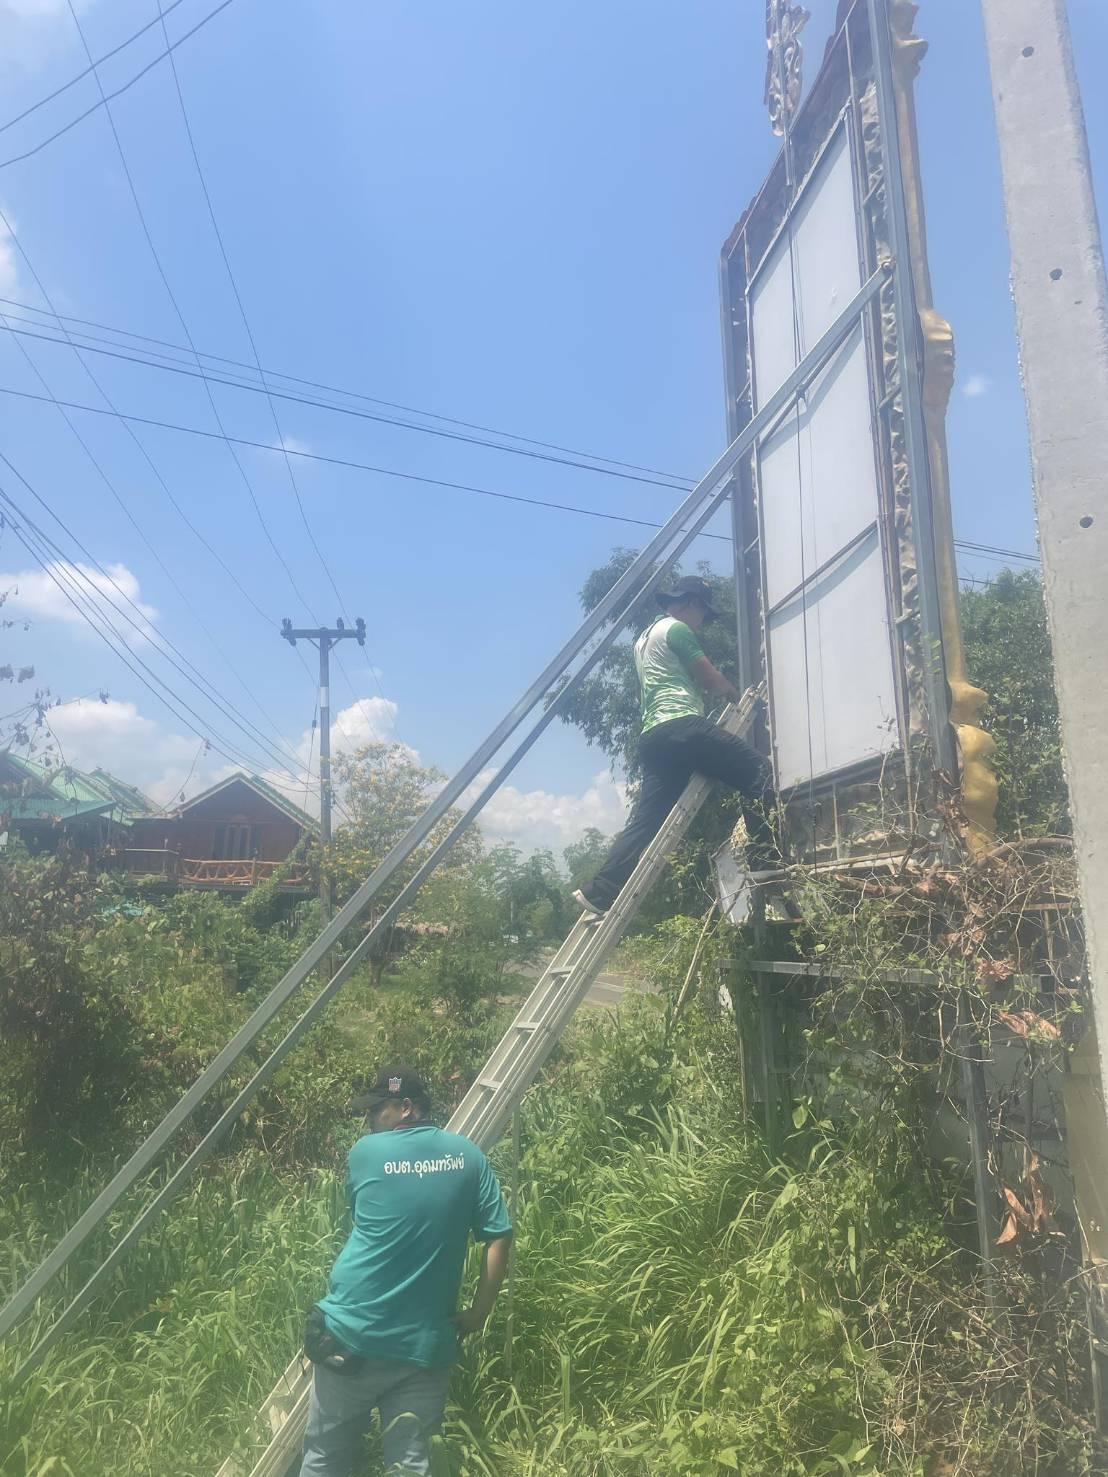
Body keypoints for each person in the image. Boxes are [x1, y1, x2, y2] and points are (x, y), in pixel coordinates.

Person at [298, 1064, 513, 1477]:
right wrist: (479, 1312)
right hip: (425, 1344)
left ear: (406, 1107)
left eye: (377, 1111)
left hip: (353, 1335)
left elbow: (362, 1216)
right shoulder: (469, 1156)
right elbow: (498, 1236)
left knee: (326, 1456)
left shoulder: (365, 1153)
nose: (370, 1121)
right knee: (411, 1465)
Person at [573, 575, 776, 915]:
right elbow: (709, 679)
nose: (702, 623)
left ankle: (602, 888)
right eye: (703, 614)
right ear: (691, 604)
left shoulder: (643, 639)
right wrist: (734, 694)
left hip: (654, 737)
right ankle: (764, 862)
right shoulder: (677, 629)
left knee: (646, 820)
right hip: (682, 727)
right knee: (761, 773)